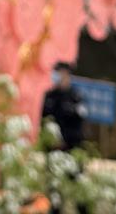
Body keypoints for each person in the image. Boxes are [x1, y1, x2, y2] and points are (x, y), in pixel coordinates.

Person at [41, 62, 90, 214]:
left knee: (79, 188)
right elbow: (45, 122)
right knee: (54, 190)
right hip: (54, 151)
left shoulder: (76, 97)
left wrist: (67, 141)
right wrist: (52, 142)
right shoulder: (50, 96)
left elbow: (79, 123)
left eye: (62, 73)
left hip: (72, 149)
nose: (59, 77)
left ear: (68, 75)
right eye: (57, 73)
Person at [41, 62, 88, 151]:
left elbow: (80, 118)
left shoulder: (76, 97)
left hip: (71, 145)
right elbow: (44, 118)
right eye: (59, 74)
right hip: (51, 145)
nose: (61, 77)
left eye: (64, 74)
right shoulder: (49, 96)